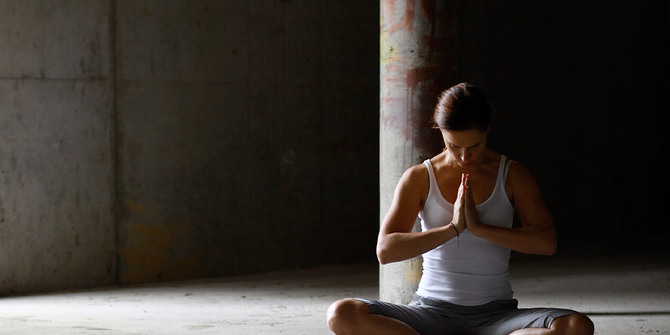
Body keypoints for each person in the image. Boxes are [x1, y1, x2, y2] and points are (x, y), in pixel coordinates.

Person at [326, 83, 594, 335]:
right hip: (429, 312)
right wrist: (453, 229)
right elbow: (385, 251)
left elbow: (547, 243)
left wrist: (479, 228)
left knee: (575, 326)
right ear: (440, 131)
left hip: (495, 317)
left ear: (487, 130)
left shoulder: (512, 174)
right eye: (454, 146)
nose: (465, 157)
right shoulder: (419, 177)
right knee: (342, 313)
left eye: (474, 146)